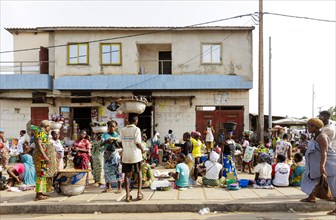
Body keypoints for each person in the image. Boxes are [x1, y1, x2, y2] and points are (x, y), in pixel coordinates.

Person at [300, 118, 336, 216]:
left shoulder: (322, 137)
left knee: (333, 187)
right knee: (307, 179)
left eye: (309, 126)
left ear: (315, 127)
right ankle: (311, 197)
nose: (307, 128)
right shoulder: (314, 137)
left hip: (328, 165)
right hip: (316, 166)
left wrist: (322, 166)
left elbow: (324, 153)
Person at [119, 113, 144, 202]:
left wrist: (125, 148)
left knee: (126, 175)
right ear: (136, 121)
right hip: (136, 155)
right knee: (139, 172)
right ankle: (139, 193)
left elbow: (119, 142)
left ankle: (127, 195)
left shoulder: (123, 130)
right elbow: (137, 143)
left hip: (126, 155)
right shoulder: (137, 129)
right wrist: (143, 149)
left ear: (128, 120)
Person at [33, 120, 57, 201]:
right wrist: (45, 156)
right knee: (41, 175)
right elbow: (39, 145)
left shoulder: (43, 132)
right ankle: (38, 195)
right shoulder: (40, 132)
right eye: (49, 127)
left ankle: (41, 192)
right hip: (41, 158)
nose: (49, 129)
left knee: (44, 174)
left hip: (43, 157)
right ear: (46, 127)